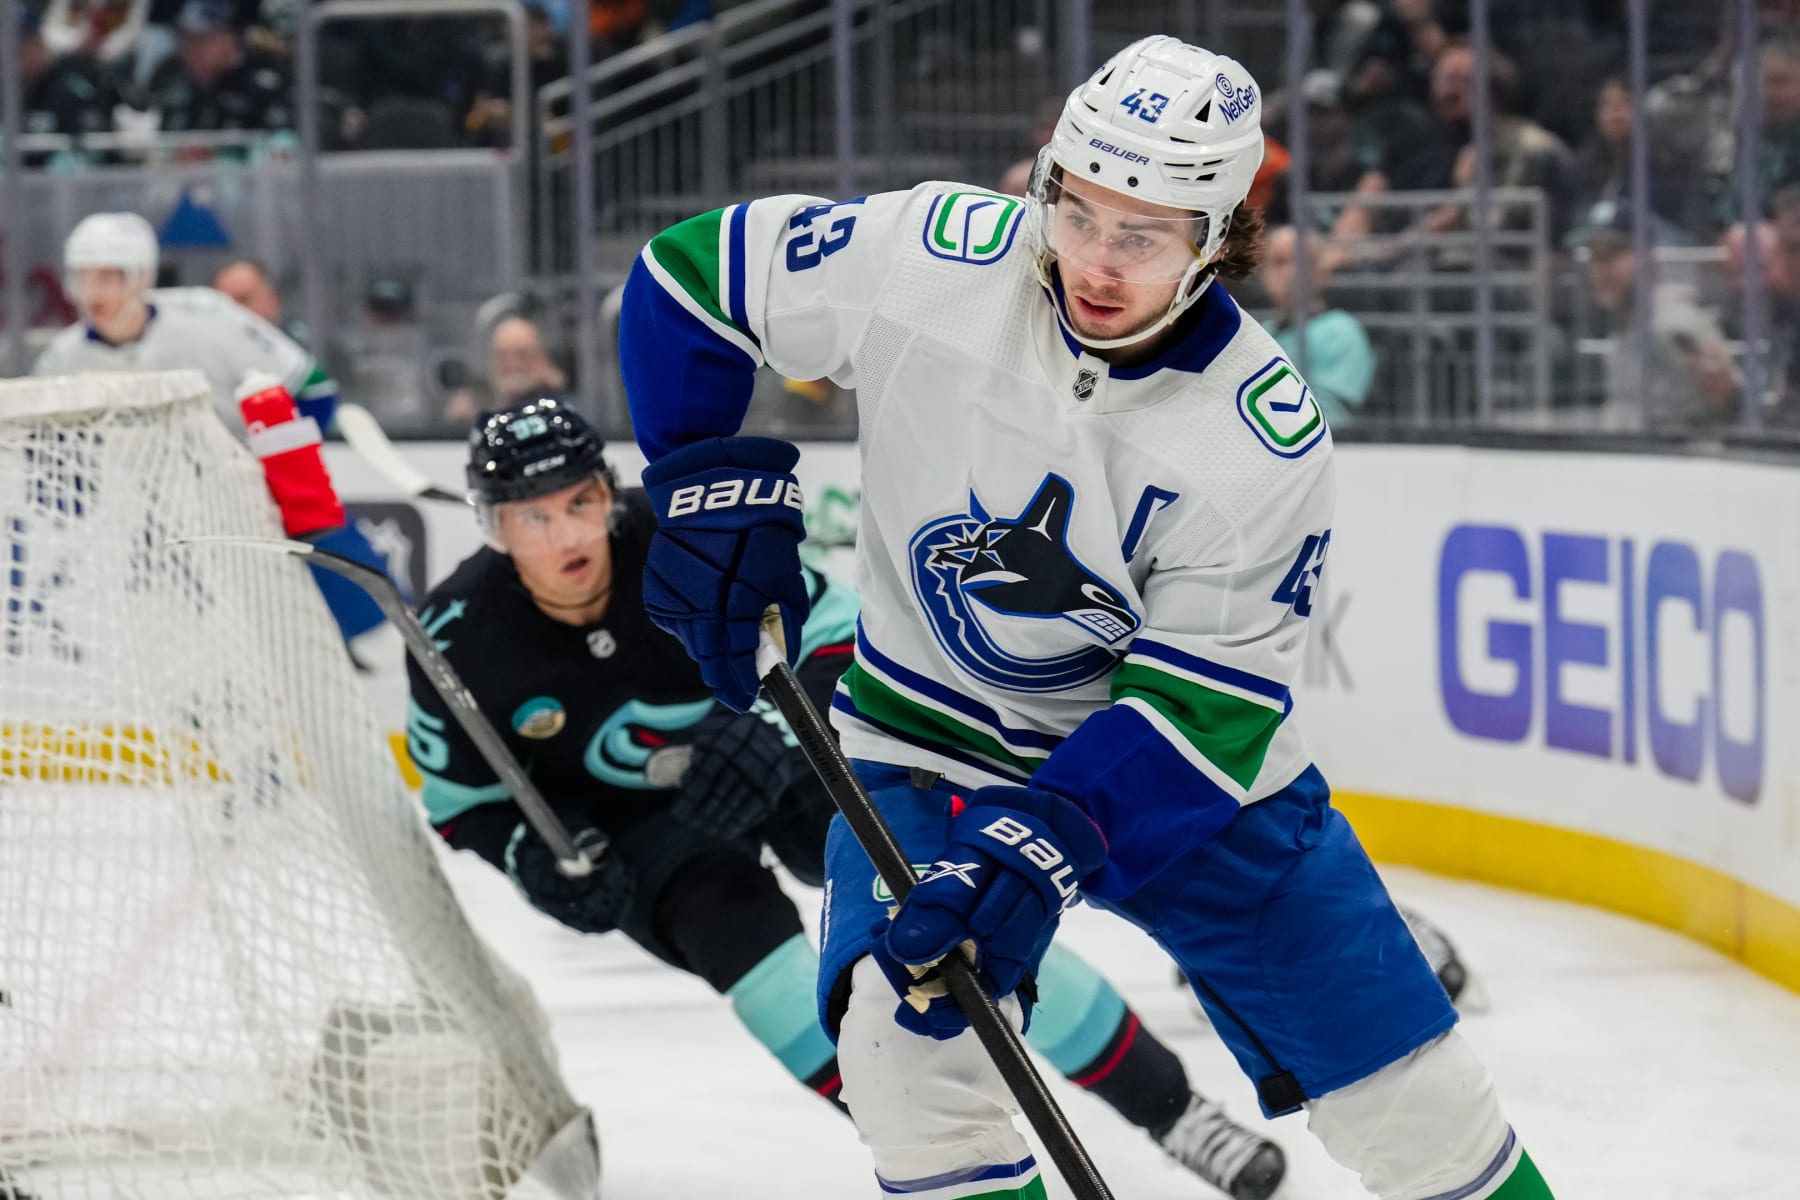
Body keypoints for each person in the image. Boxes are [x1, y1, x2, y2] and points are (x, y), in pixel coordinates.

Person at [619, 33, 1557, 1200]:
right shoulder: (929, 257)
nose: (1096, 264)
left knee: (1418, 1110)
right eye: (1077, 214)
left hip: (1189, 789)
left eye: (1144, 237)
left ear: (1218, 241)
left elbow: (1201, 707)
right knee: (905, 1068)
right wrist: (704, 479)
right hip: (923, 742)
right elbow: (689, 279)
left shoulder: (1257, 438)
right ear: (1047, 180)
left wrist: (1046, 841)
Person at [412, 395, 1289, 1200]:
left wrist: (782, 733)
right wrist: (538, 859)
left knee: (958, 919)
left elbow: (837, 636)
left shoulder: (684, 547)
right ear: (493, 529)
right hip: (647, 834)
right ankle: (955, 1163)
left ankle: (1176, 1114)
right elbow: (462, 802)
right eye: (532, 516)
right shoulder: (459, 636)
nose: (566, 535)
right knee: (763, 974)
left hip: (787, 764)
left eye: (579, 502)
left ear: (608, 492)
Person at [31, 211, 388, 648]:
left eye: (108, 276)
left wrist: (273, 473)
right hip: (155, 533)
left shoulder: (210, 318)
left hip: (255, 505)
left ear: (141, 277)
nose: (93, 293)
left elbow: (314, 389)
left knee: (361, 637)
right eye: (83, 278)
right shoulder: (63, 359)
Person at [1261, 225, 1375, 427]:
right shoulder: (1259, 333)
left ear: (1321, 271)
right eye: (1279, 262)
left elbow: (1332, 416)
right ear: (1264, 273)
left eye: (1302, 261)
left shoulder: (1341, 331)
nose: (1290, 272)